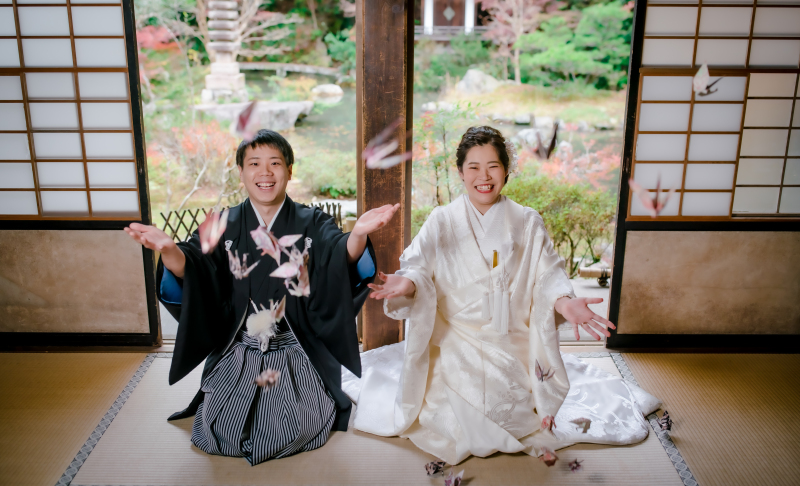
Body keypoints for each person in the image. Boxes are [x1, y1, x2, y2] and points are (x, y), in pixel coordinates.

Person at [350, 126, 660, 465]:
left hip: (509, 339)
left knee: (510, 412)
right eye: (474, 167)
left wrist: (564, 302)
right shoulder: (441, 220)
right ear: (460, 172)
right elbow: (418, 266)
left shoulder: (527, 221)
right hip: (457, 338)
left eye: (493, 166)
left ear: (507, 169)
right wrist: (408, 284)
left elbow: (548, 275)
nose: (484, 177)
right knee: (456, 416)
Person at [125, 129, 399, 465]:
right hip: (239, 349)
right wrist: (168, 249)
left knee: (296, 427)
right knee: (216, 431)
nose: (265, 172)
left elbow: (340, 257)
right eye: (254, 163)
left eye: (275, 163)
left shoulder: (312, 221)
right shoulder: (223, 223)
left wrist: (357, 234)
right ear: (240, 172)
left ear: (289, 170)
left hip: (296, 349)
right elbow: (194, 266)